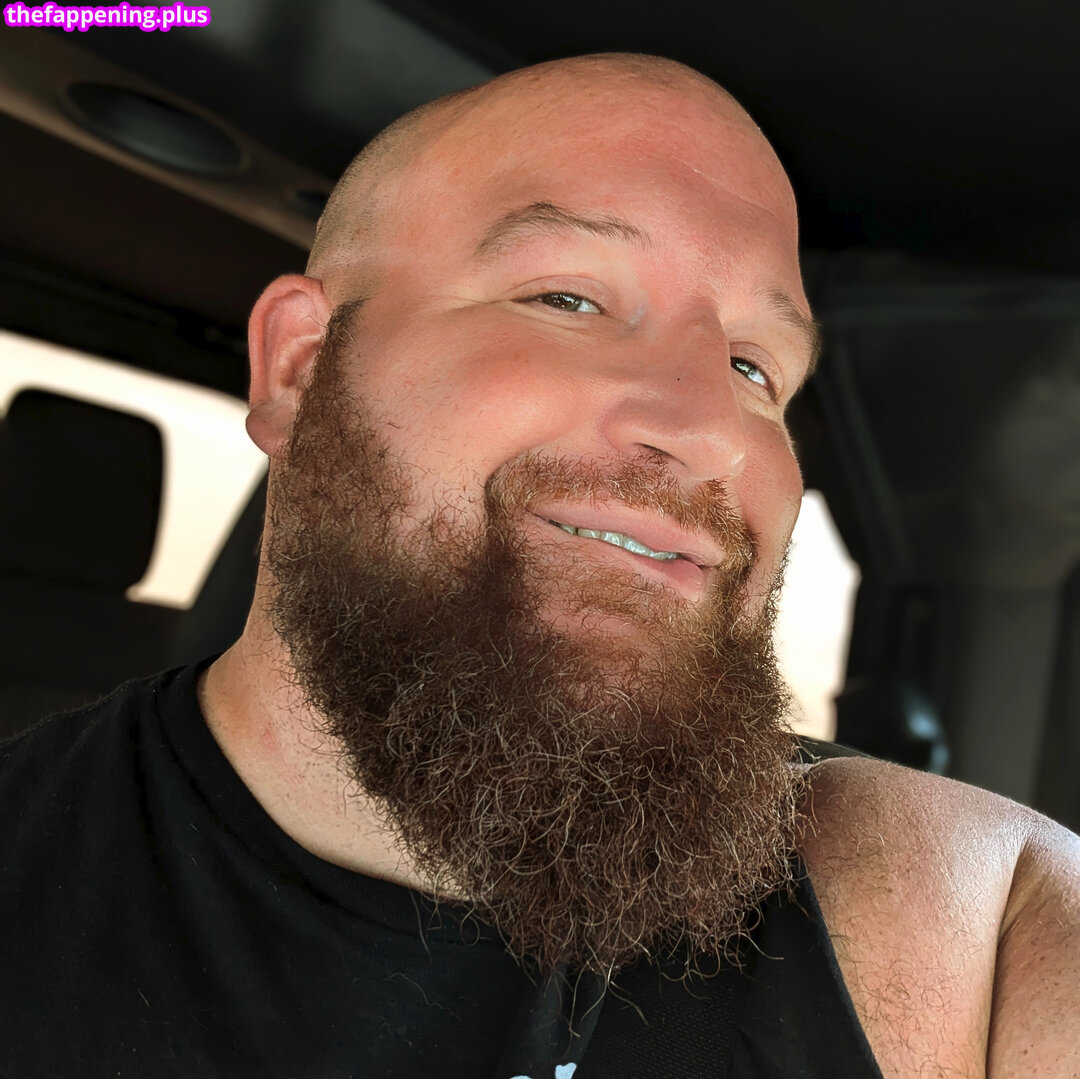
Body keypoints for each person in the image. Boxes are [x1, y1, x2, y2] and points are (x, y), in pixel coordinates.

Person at [1, 52, 1077, 1079]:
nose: (713, 428)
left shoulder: (981, 928)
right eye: (569, 299)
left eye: (756, 368)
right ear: (300, 365)